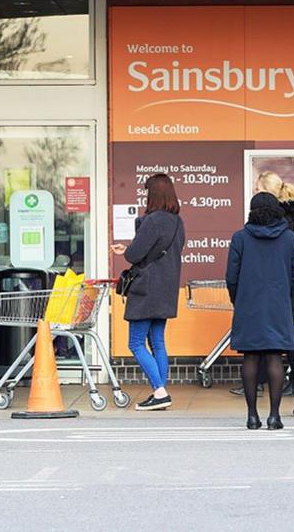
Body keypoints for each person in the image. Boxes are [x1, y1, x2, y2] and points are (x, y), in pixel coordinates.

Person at [227, 193, 294, 430]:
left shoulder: (240, 238)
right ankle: (274, 416)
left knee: (250, 357)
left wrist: (238, 298)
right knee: (274, 357)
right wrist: (283, 293)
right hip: (277, 304)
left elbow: (231, 276)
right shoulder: (288, 238)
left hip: (249, 303)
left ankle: (251, 416)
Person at [111, 174, 185, 411]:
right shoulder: (177, 222)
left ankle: (159, 391)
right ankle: (160, 391)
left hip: (147, 289)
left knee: (135, 343)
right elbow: (155, 251)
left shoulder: (151, 221)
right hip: (166, 288)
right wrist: (131, 247)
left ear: (153, 195)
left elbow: (134, 256)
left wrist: (127, 249)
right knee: (158, 342)